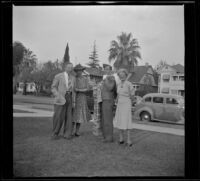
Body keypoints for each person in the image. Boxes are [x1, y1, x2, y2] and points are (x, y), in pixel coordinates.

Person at [51, 62, 76, 140]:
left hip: (70, 97)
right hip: (60, 98)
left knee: (69, 117)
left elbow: (74, 90)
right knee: (58, 117)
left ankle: (67, 134)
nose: (70, 69)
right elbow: (53, 87)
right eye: (69, 67)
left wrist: (74, 101)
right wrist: (58, 95)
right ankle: (55, 134)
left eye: (71, 67)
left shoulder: (73, 77)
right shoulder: (58, 76)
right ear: (65, 68)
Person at [114, 68, 135, 147]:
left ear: (126, 75)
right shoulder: (118, 84)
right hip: (120, 104)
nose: (121, 77)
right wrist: (116, 101)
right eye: (120, 76)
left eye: (123, 75)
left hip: (126, 103)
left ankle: (129, 140)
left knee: (127, 121)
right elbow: (118, 95)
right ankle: (121, 139)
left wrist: (132, 103)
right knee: (120, 120)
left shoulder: (129, 84)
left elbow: (132, 96)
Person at [72, 64, 91, 136]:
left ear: (82, 71)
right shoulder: (74, 78)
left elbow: (88, 88)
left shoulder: (85, 79)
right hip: (74, 97)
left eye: (80, 70)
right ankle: (71, 131)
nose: (79, 72)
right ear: (76, 71)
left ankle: (77, 131)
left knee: (80, 115)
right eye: (77, 71)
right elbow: (73, 88)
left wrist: (79, 90)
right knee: (73, 114)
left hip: (82, 98)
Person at [101, 65, 117, 142]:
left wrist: (105, 80)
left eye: (108, 69)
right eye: (105, 69)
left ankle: (109, 138)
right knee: (104, 119)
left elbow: (110, 88)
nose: (106, 70)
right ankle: (105, 136)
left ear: (111, 70)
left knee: (108, 120)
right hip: (104, 99)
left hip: (108, 100)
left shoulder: (111, 78)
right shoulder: (105, 78)